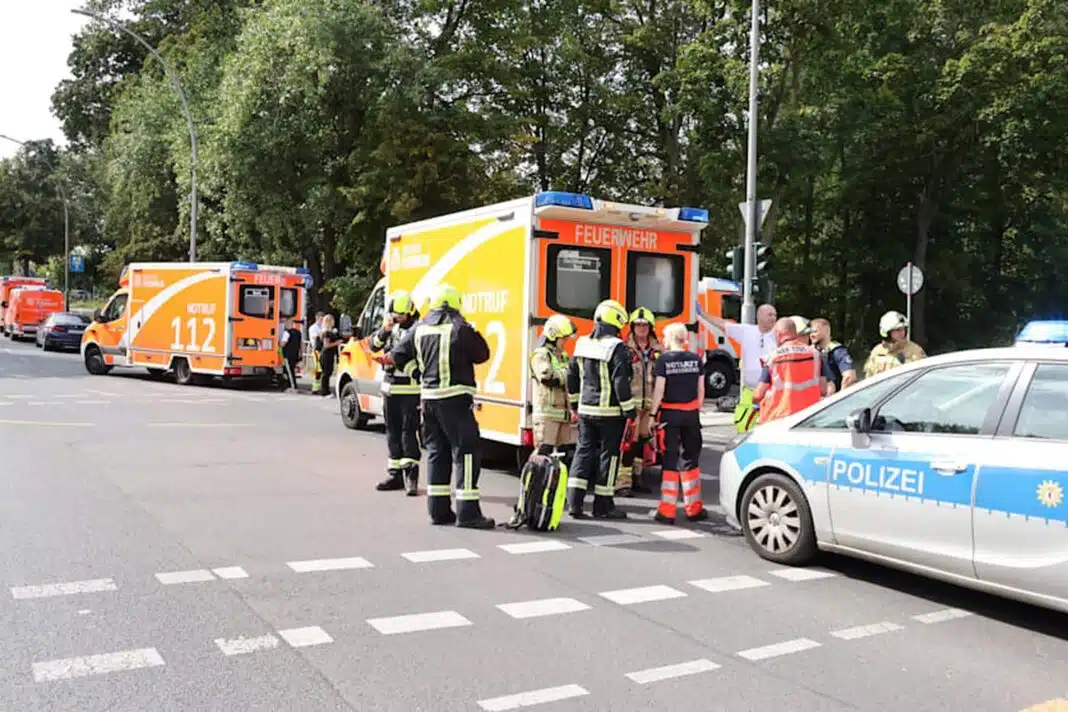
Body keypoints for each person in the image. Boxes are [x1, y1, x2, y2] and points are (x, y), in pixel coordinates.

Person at [391, 283, 495, 529]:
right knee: (466, 453)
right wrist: (472, 329)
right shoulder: (460, 327)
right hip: (456, 400)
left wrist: (416, 373)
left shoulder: (419, 328)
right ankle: (468, 513)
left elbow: (397, 355)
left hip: (429, 401)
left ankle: (438, 511)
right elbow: (482, 354)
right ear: (455, 304)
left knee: (437, 453)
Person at [565, 299, 635, 520]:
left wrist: (575, 403)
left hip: (586, 411)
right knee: (609, 456)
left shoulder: (582, 343)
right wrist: (630, 411)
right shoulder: (616, 347)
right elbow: (620, 382)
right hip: (610, 414)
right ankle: (603, 506)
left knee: (583, 453)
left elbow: (571, 376)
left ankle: (574, 503)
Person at [650, 322, 708, 524]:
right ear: (685, 339)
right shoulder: (696, 359)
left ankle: (667, 511)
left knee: (670, 459)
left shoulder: (664, 360)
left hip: (670, 416)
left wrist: (652, 414)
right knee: (690, 459)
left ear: (669, 339)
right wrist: (696, 409)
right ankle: (694, 509)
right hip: (691, 415)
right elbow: (701, 390)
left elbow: (659, 390)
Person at [370, 290, 422, 495]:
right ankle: (395, 475)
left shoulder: (418, 330)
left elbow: (415, 360)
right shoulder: (392, 327)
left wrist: (395, 361)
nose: (397, 318)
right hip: (389, 388)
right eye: (394, 315)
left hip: (409, 389)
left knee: (408, 433)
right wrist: (385, 330)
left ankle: (411, 476)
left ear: (410, 312)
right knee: (392, 432)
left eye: (400, 315)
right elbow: (374, 345)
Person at [702, 303, 777, 432]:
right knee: (744, 424)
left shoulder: (778, 335)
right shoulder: (746, 331)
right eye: (770, 314)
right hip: (749, 391)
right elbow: (722, 324)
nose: (773, 318)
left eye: (775, 315)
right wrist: (702, 314)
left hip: (770, 392)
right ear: (759, 316)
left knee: (768, 427)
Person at [617, 307, 661, 497]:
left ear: (650, 327)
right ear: (632, 327)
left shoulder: (658, 350)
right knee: (628, 444)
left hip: (649, 406)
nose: (641, 328)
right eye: (638, 325)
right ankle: (622, 484)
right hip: (631, 406)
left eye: (645, 325)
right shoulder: (624, 349)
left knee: (643, 443)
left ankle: (637, 477)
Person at [753, 317, 830, 424]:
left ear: (778, 334)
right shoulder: (815, 354)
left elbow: (759, 393)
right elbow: (823, 389)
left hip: (780, 416)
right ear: (795, 333)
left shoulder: (773, 357)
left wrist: (755, 400)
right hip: (808, 416)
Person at [529, 314, 578, 464]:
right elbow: (548, 378)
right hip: (547, 417)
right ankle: (534, 479)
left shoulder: (562, 356)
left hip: (563, 416)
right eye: (564, 338)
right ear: (553, 337)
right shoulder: (541, 355)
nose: (566, 341)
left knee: (564, 456)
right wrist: (568, 375)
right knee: (543, 455)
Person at [864, 311, 926, 378]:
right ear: (887, 332)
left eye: (903, 329)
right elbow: (869, 378)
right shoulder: (877, 352)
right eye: (898, 330)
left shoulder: (915, 351)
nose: (902, 332)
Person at [810, 317, 856, 394]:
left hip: (833, 397)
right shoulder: (809, 352)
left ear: (826, 331)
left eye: (815, 332)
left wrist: (839, 398)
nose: (811, 335)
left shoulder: (837, 351)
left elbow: (849, 377)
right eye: (810, 332)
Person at [317, 314, 342, 396]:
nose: (333, 322)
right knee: (326, 373)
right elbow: (326, 345)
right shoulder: (326, 332)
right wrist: (336, 343)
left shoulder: (331, 331)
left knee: (328, 372)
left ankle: (326, 390)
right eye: (332, 320)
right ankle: (324, 392)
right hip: (326, 354)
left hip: (329, 355)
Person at [279, 317, 303, 390]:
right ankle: (291, 385)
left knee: (289, 371)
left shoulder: (287, 333)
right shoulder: (298, 332)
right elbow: (301, 344)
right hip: (295, 354)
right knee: (292, 370)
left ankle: (293, 386)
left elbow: (283, 344)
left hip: (288, 355)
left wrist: (278, 343)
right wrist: (301, 353)